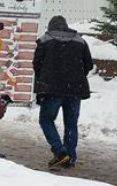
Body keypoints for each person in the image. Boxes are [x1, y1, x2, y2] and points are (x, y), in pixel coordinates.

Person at [34, 16, 94, 169]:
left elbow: (37, 65)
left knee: (46, 120)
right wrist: (76, 77)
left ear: (50, 26)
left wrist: (45, 80)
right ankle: (70, 158)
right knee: (71, 124)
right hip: (74, 90)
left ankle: (60, 152)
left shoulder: (45, 40)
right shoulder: (80, 41)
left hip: (52, 89)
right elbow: (89, 64)